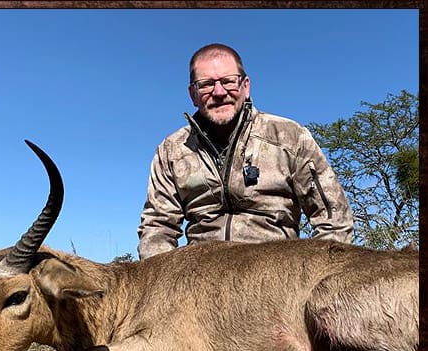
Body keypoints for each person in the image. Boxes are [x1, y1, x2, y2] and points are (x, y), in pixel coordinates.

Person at [137, 43, 353, 260]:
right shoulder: (171, 150)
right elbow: (157, 227)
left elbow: (334, 219)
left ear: (245, 86)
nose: (219, 92)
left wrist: (313, 275)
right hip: (200, 279)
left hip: (278, 275)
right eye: (206, 85)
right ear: (193, 94)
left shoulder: (290, 136)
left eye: (228, 81)